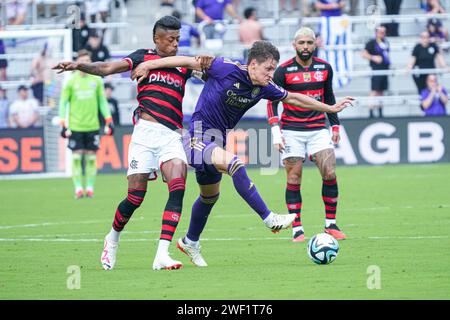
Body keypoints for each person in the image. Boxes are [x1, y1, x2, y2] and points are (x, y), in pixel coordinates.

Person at [131, 40, 354, 266]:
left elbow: (293, 97)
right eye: (268, 68)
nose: (271, 74)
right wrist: (150, 65)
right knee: (235, 163)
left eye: (273, 69)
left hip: (217, 141)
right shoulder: (226, 68)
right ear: (253, 64)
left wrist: (330, 109)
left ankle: (190, 241)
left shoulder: (264, 86)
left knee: (209, 197)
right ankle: (269, 218)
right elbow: (187, 61)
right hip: (196, 136)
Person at [53, 16, 210, 271]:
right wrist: (78, 67)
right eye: (170, 39)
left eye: (178, 39)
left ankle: (162, 253)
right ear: (156, 39)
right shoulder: (140, 57)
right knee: (135, 197)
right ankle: (112, 238)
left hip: (171, 134)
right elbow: (106, 68)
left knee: (179, 184)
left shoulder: (183, 64)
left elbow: (206, 70)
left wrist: (206, 62)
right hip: (145, 134)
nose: (175, 44)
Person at [266, 27, 346, 242]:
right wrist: (276, 132)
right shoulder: (283, 71)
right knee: (294, 177)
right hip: (291, 131)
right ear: (294, 45)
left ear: (315, 44)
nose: (305, 47)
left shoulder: (325, 68)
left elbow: (329, 97)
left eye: (309, 43)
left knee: (329, 172)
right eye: (301, 43)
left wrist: (335, 126)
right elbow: (272, 102)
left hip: (319, 128)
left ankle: (331, 224)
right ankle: (297, 228)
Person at [58, 50, 113, 201]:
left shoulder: (96, 80)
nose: (85, 63)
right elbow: (63, 103)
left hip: (92, 126)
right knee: (76, 158)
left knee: (90, 159)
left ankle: (89, 188)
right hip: (75, 126)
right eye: (83, 61)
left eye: (88, 60)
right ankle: (78, 188)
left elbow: (102, 101)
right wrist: (62, 122)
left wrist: (109, 119)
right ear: (77, 63)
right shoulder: (70, 81)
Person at [362, 26, 390, 118]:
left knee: (381, 91)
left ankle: (380, 111)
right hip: (376, 69)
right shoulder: (372, 42)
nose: (382, 34)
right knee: (374, 90)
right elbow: (364, 53)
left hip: (384, 69)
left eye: (384, 32)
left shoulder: (385, 42)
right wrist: (373, 58)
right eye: (380, 32)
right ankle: (371, 111)